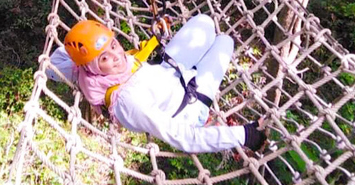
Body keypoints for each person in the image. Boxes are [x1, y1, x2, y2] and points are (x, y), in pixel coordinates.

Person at [47, 14, 267, 154]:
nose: (116, 56)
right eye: (104, 58)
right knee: (224, 42)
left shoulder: (87, 73)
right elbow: (186, 139)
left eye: (114, 45)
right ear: (93, 67)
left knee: (205, 23)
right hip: (190, 102)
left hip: (168, 69)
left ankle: (195, 58)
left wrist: (81, 60)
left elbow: (53, 63)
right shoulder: (128, 102)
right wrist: (244, 136)